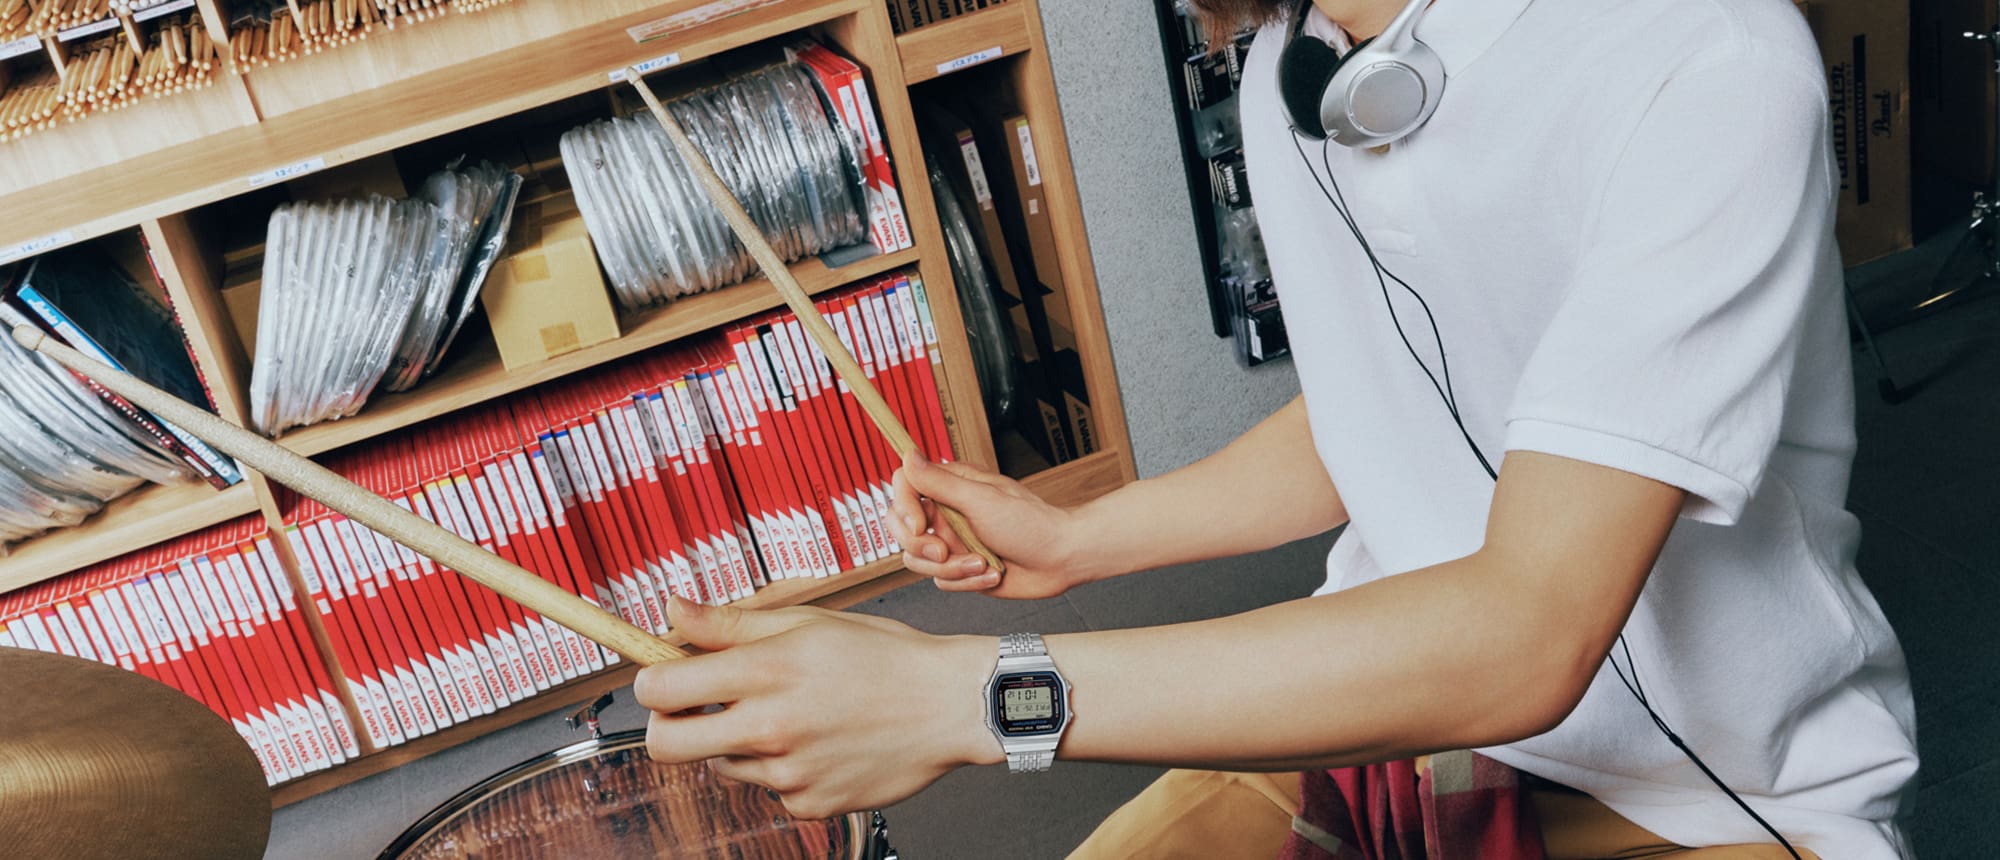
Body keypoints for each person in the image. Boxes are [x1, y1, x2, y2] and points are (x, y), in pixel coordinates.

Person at [634, 0, 1920, 856]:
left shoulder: (1705, 60)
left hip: (1702, 799)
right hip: (1383, 729)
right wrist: (1080, 539)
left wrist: (969, 696)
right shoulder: (1291, 77)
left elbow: (1527, 634)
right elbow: (1384, 400)